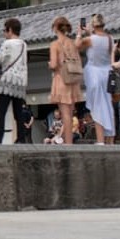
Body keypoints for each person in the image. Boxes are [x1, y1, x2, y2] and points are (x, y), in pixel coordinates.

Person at [77, 13, 115, 145]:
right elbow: (109, 54)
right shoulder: (110, 38)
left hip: (94, 73)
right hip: (107, 73)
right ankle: (110, 139)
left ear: (93, 25)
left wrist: (79, 34)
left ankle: (100, 140)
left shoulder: (90, 39)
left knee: (97, 107)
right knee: (108, 106)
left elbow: (77, 46)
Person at [0, 18, 29, 144]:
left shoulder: (7, 44)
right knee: (18, 111)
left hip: (8, 80)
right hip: (20, 81)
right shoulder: (24, 44)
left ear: (10, 30)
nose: (4, 33)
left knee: (0, 111)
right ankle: (21, 138)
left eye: (5, 30)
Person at [48, 16, 82, 145]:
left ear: (55, 28)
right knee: (70, 111)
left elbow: (54, 64)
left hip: (61, 78)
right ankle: (69, 141)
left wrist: (50, 64)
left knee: (65, 113)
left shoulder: (55, 44)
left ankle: (68, 143)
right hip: (73, 78)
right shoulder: (72, 43)